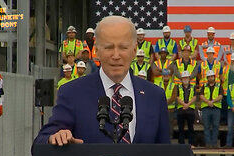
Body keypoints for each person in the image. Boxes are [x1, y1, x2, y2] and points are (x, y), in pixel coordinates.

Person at [33, 16, 170, 146]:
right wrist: (54, 138)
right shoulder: (72, 93)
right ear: (97, 51)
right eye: (109, 47)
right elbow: (41, 142)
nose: (116, 55)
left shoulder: (155, 96)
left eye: (123, 47)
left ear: (134, 51)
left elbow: (166, 154)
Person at [200, 70, 223, 148]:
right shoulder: (204, 86)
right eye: (209, 77)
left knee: (215, 126)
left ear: (214, 77)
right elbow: (201, 96)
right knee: (206, 126)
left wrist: (212, 101)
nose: (210, 78)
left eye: (212, 76)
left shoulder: (219, 86)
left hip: (216, 108)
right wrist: (208, 102)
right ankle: (208, 143)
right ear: (207, 78)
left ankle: (214, 143)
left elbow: (220, 96)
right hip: (206, 108)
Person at [155, 69, 177, 138]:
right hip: (160, 109)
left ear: (169, 76)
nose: (166, 77)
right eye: (164, 75)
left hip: (170, 109)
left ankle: (170, 137)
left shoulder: (173, 85)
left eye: (167, 75)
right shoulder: (158, 84)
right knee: (160, 123)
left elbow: (174, 96)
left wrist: (165, 102)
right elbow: (156, 95)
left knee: (170, 123)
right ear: (162, 76)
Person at [176, 71, 196, 145]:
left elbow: (194, 97)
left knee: (191, 128)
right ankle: (181, 144)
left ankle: (191, 144)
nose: (185, 79)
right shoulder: (178, 87)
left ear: (189, 78)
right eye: (184, 78)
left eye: (186, 77)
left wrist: (188, 104)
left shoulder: (193, 87)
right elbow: (177, 97)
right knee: (180, 129)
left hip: (190, 110)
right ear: (181, 79)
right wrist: (184, 104)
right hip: (181, 110)